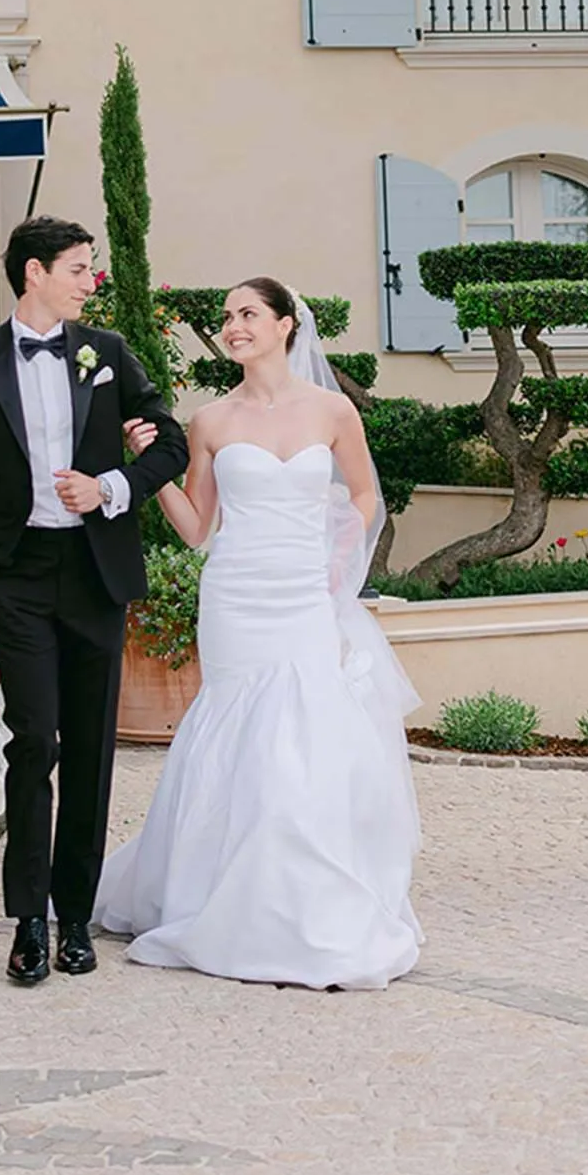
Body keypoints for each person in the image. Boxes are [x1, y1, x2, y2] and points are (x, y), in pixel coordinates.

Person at [98, 277, 423, 990]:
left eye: (248, 314)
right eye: (228, 317)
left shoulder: (333, 410)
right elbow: (198, 528)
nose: (233, 326)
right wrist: (153, 472)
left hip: (304, 593)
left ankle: (303, 895)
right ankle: (221, 889)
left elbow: (366, 492)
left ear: (284, 325)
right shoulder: (210, 419)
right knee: (238, 728)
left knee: (302, 731)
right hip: (236, 596)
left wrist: (344, 552)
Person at [0, 217, 189, 985]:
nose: (91, 281)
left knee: (88, 746)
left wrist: (109, 488)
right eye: (80, 268)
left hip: (94, 574)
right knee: (33, 741)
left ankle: (75, 917)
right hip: (18, 576)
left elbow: (173, 443)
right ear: (35, 274)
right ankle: (27, 922)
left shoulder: (107, 354)